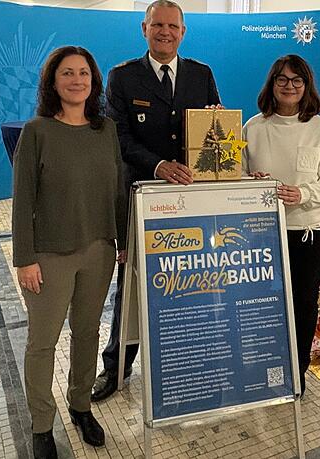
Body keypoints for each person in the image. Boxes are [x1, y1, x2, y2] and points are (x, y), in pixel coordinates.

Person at [92, 0, 222, 402]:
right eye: (157, 25)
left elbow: (213, 132)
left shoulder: (202, 75)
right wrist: (160, 164)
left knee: (191, 279)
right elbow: (119, 138)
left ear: (183, 32)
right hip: (142, 196)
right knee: (130, 286)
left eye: (173, 26)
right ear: (144, 29)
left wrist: (216, 123)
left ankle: (185, 363)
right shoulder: (122, 77)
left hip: (191, 199)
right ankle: (116, 368)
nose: (165, 32)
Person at [12, 46, 126, 458]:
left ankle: (80, 406)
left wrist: (124, 242)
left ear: (93, 81)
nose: (76, 80)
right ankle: (42, 424)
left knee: (88, 331)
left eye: (83, 73)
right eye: (67, 73)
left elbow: (117, 191)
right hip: (49, 255)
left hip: (99, 251)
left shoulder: (106, 129)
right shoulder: (37, 131)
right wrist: (24, 258)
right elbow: (22, 200)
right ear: (53, 82)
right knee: (42, 342)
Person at [242, 55, 320, 395]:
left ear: (306, 86)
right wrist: (250, 181)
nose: (289, 86)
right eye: (282, 80)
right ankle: (260, 369)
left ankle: (295, 373)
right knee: (261, 306)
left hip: (307, 234)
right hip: (261, 233)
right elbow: (235, 175)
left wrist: (302, 193)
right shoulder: (254, 127)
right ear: (272, 84)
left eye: (296, 81)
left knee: (302, 305)